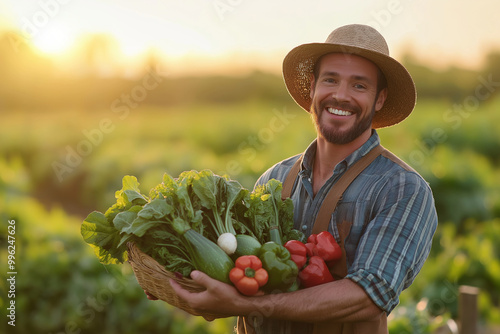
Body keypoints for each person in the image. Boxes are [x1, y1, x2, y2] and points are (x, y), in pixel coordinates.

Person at [148, 24, 438, 334]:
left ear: (379, 99)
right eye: (331, 79)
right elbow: (235, 270)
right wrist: (179, 277)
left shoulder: (401, 189)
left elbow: (367, 297)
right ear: (312, 87)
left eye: (359, 86)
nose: (340, 95)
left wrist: (245, 307)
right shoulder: (274, 179)